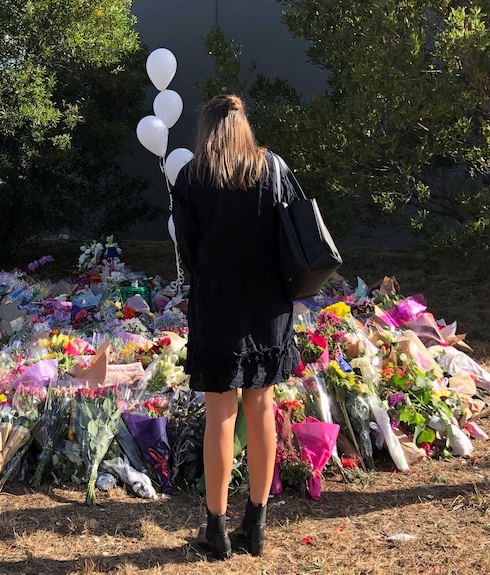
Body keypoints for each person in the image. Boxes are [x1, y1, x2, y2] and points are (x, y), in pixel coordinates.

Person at [172, 94, 299, 558]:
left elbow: (188, 250)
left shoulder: (192, 176)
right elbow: (295, 230)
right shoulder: (274, 169)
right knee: (262, 408)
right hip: (268, 303)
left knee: (220, 415)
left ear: (205, 129)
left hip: (218, 302)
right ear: (244, 124)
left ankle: (216, 529)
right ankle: (257, 526)